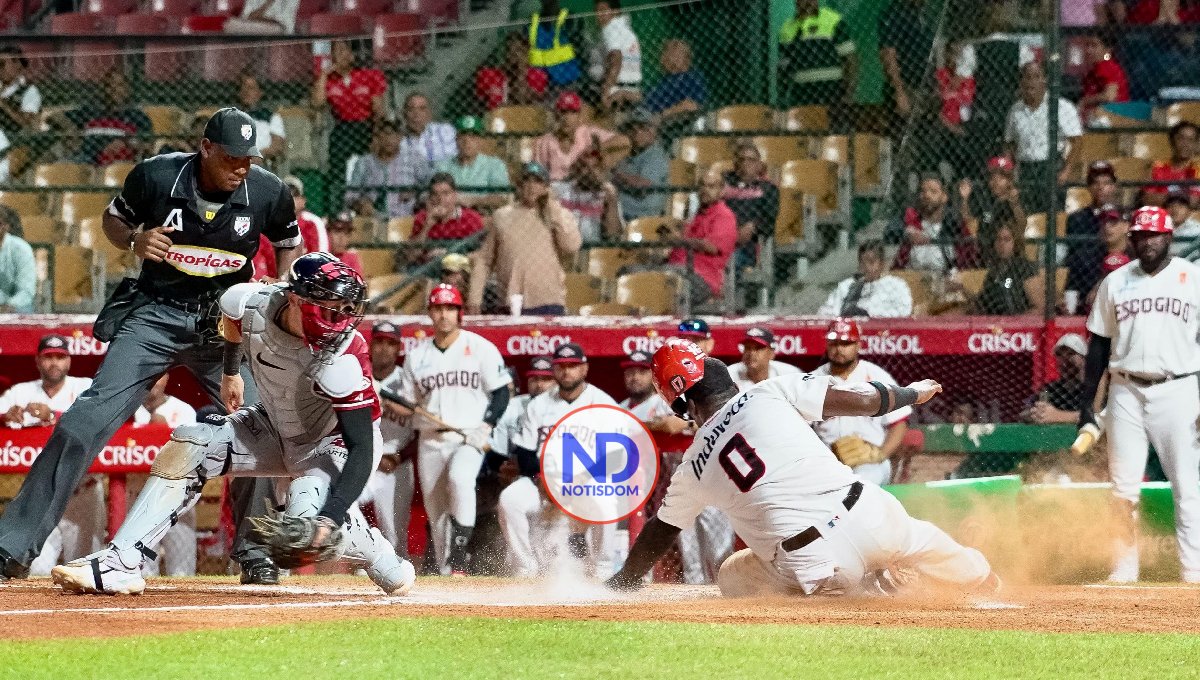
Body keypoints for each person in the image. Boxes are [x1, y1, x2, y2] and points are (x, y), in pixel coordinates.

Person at [0, 108, 301, 586]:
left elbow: (289, 241)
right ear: (206, 149)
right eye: (231, 157)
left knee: (258, 427)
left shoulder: (267, 190)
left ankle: (255, 552)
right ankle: (12, 547)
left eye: (248, 158)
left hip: (223, 324)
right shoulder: (157, 176)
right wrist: (136, 241)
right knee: (84, 421)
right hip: (154, 314)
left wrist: (278, 285)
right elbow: (112, 221)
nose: (241, 166)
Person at [50, 253, 414, 595]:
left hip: (329, 444)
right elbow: (233, 325)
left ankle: (375, 552)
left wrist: (331, 518)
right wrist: (230, 372)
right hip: (274, 425)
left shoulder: (346, 355)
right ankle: (121, 562)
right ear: (296, 300)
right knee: (191, 444)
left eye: (344, 311)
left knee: (303, 534)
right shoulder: (248, 301)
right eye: (329, 309)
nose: (339, 321)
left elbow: (362, 447)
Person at [604, 339, 998, 597]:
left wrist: (625, 578)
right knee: (921, 539)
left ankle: (873, 588)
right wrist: (912, 393)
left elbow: (660, 530)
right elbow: (865, 402)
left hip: (815, 560)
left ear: (679, 403)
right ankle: (976, 577)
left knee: (733, 576)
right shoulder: (770, 390)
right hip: (870, 511)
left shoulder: (694, 464)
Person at [1077, 205, 1200, 583]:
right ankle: (1123, 571)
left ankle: (1193, 572)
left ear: (1170, 237)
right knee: (1123, 488)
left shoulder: (1192, 277)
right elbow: (1098, 346)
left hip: (1179, 387)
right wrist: (1087, 406)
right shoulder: (1115, 282)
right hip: (1125, 389)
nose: (1148, 242)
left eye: (1156, 235)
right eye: (1141, 235)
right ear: (1131, 239)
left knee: (1187, 484)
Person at [396, 284, 510, 575]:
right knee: (437, 513)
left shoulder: (480, 347)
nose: (444, 314)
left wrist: (486, 427)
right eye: (438, 308)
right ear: (430, 313)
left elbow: (501, 393)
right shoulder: (416, 356)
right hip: (430, 440)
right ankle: (451, 574)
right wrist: (383, 397)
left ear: (460, 313)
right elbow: (408, 407)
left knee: (460, 479)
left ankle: (459, 557)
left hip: (469, 436)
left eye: (450, 308)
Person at [498, 342, 619, 578]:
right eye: (561, 366)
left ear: (584, 369)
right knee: (510, 499)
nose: (566, 371)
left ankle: (602, 570)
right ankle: (526, 569)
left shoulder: (604, 402)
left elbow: (615, 455)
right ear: (554, 370)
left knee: (606, 499)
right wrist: (540, 479)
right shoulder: (538, 405)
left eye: (572, 366)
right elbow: (524, 452)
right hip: (543, 482)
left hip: (587, 480)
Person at [1, 335, 102, 579]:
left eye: (60, 357)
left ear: (69, 361)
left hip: (83, 493)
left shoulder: (84, 387)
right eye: (48, 357)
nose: (54, 363)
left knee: (83, 569)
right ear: (37, 361)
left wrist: (54, 415)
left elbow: (97, 419)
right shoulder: (19, 392)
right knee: (37, 569)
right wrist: (4, 418)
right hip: (41, 495)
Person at [468, 162, 581, 316]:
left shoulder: (558, 214)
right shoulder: (502, 216)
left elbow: (571, 246)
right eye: (527, 180)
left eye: (538, 181)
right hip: (510, 301)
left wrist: (552, 207)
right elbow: (484, 260)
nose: (531, 186)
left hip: (548, 301)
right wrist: (475, 298)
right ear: (519, 185)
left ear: (546, 187)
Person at [811, 319, 911, 487]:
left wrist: (880, 454)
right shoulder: (812, 382)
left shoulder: (877, 377)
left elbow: (899, 423)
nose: (839, 349)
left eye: (846, 343)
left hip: (869, 463)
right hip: (826, 463)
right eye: (834, 343)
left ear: (858, 345)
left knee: (862, 484)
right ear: (827, 345)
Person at [131, 372, 198, 578]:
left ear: (167, 378)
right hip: (139, 497)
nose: (153, 381)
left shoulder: (183, 410)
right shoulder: (127, 410)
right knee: (142, 571)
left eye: (159, 376)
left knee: (182, 571)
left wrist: (164, 432)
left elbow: (193, 455)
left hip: (178, 498)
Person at [357, 321, 416, 560]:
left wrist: (401, 456)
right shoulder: (359, 376)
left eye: (390, 343)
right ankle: (362, 562)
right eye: (379, 341)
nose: (383, 348)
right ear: (370, 346)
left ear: (398, 348)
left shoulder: (407, 382)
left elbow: (421, 430)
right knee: (342, 513)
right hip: (361, 460)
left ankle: (397, 572)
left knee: (393, 532)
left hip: (395, 463)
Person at [312, 39, 387, 209]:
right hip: (343, 127)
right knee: (337, 166)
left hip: (366, 126)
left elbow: (379, 110)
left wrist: (376, 134)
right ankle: (337, 207)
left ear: (352, 54)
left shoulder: (369, 76)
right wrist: (323, 75)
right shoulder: (329, 80)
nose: (337, 56)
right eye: (334, 52)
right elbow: (317, 103)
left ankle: (374, 202)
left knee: (370, 166)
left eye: (342, 51)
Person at [1004, 61, 1083, 213]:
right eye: (1027, 77)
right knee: (1028, 214)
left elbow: (1077, 141)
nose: (1031, 82)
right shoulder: (1015, 111)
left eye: (1036, 77)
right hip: (1026, 168)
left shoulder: (1062, 107)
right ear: (1021, 82)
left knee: (1052, 215)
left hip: (1051, 167)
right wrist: (1010, 170)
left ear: (1045, 79)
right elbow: (1009, 143)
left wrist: (1066, 171)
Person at [663, 170, 738, 305]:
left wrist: (680, 240)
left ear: (721, 191)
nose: (705, 190)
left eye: (711, 186)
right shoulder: (696, 216)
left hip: (702, 278)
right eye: (702, 186)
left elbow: (711, 247)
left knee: (664, 292)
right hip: (676, 269)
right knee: (629, 273)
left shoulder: (724, 216)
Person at [55, 68, 152, 167]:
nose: (115, 89)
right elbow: (54, 117)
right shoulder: (90, 111)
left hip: (119, 163)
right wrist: (72, 129)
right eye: (110, 85)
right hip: (86, 159)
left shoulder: (136, 116)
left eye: (120, 85)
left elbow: (148, 145)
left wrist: (126, 142)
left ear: (128, 89)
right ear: (105, 89)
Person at [532, 91, 628, 182]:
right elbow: (538, 172)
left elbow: (625, 141)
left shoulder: (587, 133)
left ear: (579, 116)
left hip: (583, 187)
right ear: (557, 115)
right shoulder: (545, 141)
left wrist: (594, 148)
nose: (567, 118)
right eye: (563, 112)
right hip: (556, 189)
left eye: (572, 112)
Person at [777, 0, 858, 109]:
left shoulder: (833, 20)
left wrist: (849, 95)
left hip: (832, 92)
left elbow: (850, 59)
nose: (809, 1)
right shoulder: (787, 28)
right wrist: (783, 96)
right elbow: (783, 67)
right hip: (801, 94)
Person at [891, 173, 977, 274]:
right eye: (923, 191)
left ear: (944, 197)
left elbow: (970, 256)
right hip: (914, 278)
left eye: (933, 191)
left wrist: (964, 200)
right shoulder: (912, 223)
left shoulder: (953, 225)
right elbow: (890, 234)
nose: (927, 195)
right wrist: (907, 233)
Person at [346, 120, 428, 219]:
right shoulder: (364, 162)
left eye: (394, 134)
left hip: (405, 218)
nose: (389, 139)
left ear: (400, 137)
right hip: (372, 218)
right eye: (385, 134)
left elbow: (429, 187)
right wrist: (360, 204)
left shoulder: (414, 160)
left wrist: (416, 195)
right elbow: (350, 195)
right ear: (377, 137)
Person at [1064, 161, 1121, 302]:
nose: (1101, 188)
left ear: (1113, 187)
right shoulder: (1076, 218)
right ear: (1089, 187)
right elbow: (1077, 254)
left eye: (1106, 183)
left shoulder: (1123, 216)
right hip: (1084, 276)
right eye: (1096, 183)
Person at [253, 175, 328, 280]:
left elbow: (320, 260)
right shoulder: (265, 225)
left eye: (294, 194)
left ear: (303, 200)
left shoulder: (313, 223)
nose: (289, 198)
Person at [877, 0, 934, 138]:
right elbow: (888, 54)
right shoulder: (894, 14)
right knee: (902, 134)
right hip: (906, 86)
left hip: (924, 84)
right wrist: (899, 92)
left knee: (923, 134)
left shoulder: (921, 15)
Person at [722, 141, 780, 270]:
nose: (745, 163)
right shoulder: (723, 183)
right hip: (721, 237)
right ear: (735, 163)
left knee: (729, 261)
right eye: (741, 159)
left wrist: (752, 227)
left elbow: (769, 221)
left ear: (759, 165)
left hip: (748, 245)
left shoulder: (768, 189)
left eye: (751, 160)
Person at [818, 239, 913, 317]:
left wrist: (870, 314)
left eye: (871, 262)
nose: (866, 267)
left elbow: (904, 311)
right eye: (863, 262)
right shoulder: (846, 286)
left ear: (882, 264)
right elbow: (825, 311)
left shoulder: (896, 285)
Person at [434, 116, 511, 211]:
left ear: (480, 141)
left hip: (482, 217)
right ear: (456, 139)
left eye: (472, 137)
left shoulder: (495, 165)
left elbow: (502, 198)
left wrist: (474, 200)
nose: (467, 141)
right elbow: (428, 195)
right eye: (463, 136)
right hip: (449, 217)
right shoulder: (443, 165)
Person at [959, 156, 1025, 262]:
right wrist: (964, 199)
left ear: (1010, 181)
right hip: (984, 251)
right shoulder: (984, 199)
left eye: (1002, 178)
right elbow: (968, 222)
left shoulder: (1017, 199)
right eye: (993, 178)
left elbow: (1022, 226)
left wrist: (1015, 204)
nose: (996, 182)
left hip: (1010, 255)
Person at [410, 173, 486, 266]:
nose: (440, 199)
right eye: (435, 194)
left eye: (446, 194)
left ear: (454, 195)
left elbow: (483, 254)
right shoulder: (421, 218)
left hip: (462, 269)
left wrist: (448, 255)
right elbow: (411, 257)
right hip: (428, 270)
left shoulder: (471, 218)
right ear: (430, 197)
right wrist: (427, 226)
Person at [968, 224, 1043, 316]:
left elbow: (1039, 308)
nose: (1002, 244)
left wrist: (1015, 322)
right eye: (999, 240)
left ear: (1014, 243)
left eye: (1007, 240)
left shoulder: (1025, 268)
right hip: (995, 323)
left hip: (1019, 323)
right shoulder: (993, 272)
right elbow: (981, 304)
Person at [554, 149, 623, 243]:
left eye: (595, 166)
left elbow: (613, 234)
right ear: (576, 169)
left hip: (594, 247)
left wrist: (611, 202)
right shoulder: (560, 190)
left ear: (602, 170)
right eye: (585, 166)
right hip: (564, 247)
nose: (590, 171)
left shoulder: (608, 193)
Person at [612, 108, 668, 220]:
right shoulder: (627, 151)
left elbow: (642, 186)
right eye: (632, 128)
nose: (637, 133)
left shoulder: (656, 155)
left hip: (642, 216)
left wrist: (616, 173)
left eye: (643, 128)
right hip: (621, 211)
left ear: (653, 132)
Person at [587, 0, 642, 111]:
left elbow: (616, 58)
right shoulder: (626, 30)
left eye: (603, 10)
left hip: (616, 89)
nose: (598, 15)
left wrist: (606, 89)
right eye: (596, 11)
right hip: (632, 88)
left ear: (615, 12)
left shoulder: (611, 28)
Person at [1021, 333, 1086, 425]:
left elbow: (1099, 416)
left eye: (1071, 353)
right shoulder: (1050, 389)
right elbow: (1025, 412)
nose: (1065, 359)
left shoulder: (1094, 388)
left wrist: (1057, 416)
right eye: (1060, 354)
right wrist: (1034, 413)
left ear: (1084, 358)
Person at [642, 39, 706, 130]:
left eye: (671, 54)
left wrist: (662, 115)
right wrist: (626, 93)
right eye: (665, 52)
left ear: (685, 58)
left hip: (670, 125)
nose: (664, 57)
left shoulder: (692, 77)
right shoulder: (665, 80)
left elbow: (691, 105)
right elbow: (645, 96)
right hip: (645, 115)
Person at [475, 31, 549, 110]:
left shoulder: (537, 75)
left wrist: (521, 72)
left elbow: (524, 99)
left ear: (527, 53)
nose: (515, 55)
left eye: (519, 50)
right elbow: (479, 100)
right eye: (510, 50)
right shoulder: (490, 75)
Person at [619, 350, 685, 433]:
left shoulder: (666, 403)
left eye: (642, 372)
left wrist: (684, 423)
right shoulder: (617, 409)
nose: (635, 377)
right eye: (630, 372)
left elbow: (698, 424)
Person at [528, 0, 583, 89]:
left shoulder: (569, 18)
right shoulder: (532, 21)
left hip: (567, 81)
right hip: (539, 84)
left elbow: (581, 50)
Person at [1078, 33, 1129, 126]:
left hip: (1110, 118)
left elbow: (1109, 96)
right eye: (1087, 45)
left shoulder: (1107, 66)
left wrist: (1085, 101)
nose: (1088, 50)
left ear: (1107, 50)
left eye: (1094, 46)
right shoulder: (1093, 71)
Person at [235, 70, 287, 163]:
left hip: (262, 163)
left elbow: (277, 145)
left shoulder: (272, 117)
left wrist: (260, 154)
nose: (246, 91)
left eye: (251, 88)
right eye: (243, 87)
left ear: (260, 93)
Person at [727, 327, 800, 391]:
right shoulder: (729, 375)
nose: (751, 353)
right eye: (748, 348)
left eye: (758, 348)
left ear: (771, 354)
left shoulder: (789, 375)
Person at [1147, 121, 1200, 204]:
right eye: (1181, 138)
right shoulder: (1157, 167)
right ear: (1172, 140)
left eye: (1190, 140)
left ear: (1196, 144)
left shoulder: (1198, 170)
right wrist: (1181, 195)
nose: (1185, 144)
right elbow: (1148, 199)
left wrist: (1165, 195)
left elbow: (1193, 202)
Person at [399, 92, 457, 169]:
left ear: (429, 113)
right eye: (411, 109)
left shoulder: (445, 131)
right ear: (404, 114)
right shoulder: (398, 140)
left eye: (422, 109)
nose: (416, 114)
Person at [0, 45, 42, 140]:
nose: (0, 69)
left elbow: (27, 122)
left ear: (17, 66)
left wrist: (3, 104)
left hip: (14, 140)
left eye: (2, 64)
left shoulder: (29, 91)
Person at [0, 205, 35, 313]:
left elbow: (26, 291)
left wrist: (7, 307)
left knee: (23, 309)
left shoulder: (21, 249)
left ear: (6, 227)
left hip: (15, 308)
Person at [325, 211, 366, 279]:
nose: (342, 238)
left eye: (346, 233)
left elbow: (359, 285)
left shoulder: (351, 258)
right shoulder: (319, 256)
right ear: (326, 232)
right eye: (337, 232)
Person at [224, 0, 300, 34]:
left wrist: (258, 17)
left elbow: (283, 22)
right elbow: (247, 15)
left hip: (279, 29)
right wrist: (267, 4)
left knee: (233, 25)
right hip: (254, 25)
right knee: (230, 24)